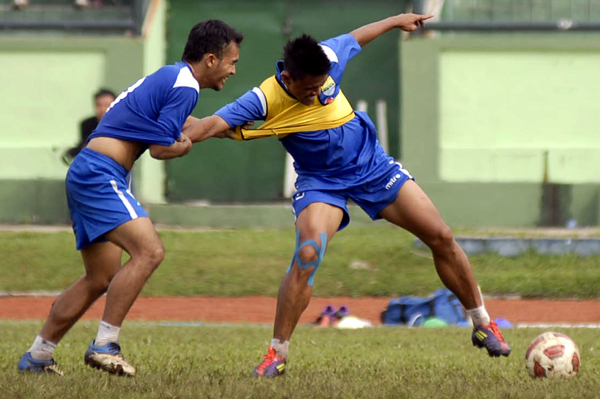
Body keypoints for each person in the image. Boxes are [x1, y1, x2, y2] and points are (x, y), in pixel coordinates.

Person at [184, 13, 511, 378]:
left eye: (321, 86)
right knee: (307, 254)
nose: (316, 93)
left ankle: (482, 323)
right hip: (322, 182)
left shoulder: (325, 59)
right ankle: (277, 353)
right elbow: (213, 124)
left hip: (375, 169)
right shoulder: (262, 99)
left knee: (441, 236)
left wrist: (397, 20)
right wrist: (174, 136)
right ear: (288, 78)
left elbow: (355, 37)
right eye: (309, 89)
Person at [17, 19, 243, 377]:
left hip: (91, 170)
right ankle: (105, 344)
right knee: (149, 251)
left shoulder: (172, 77)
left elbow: (177, 126)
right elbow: (161, 148)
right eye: (232, 61)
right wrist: (186, 146)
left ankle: (38, 355)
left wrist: (216, 128)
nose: (233, 69)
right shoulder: (186, 87)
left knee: (98, 277)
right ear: (211, 59)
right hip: (100, 174)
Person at [62, 88, 116, 165]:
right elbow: (84, 145)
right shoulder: (87, 124)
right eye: (99, 105)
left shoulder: (122, 124)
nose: (103, 109)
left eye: (107, 105)